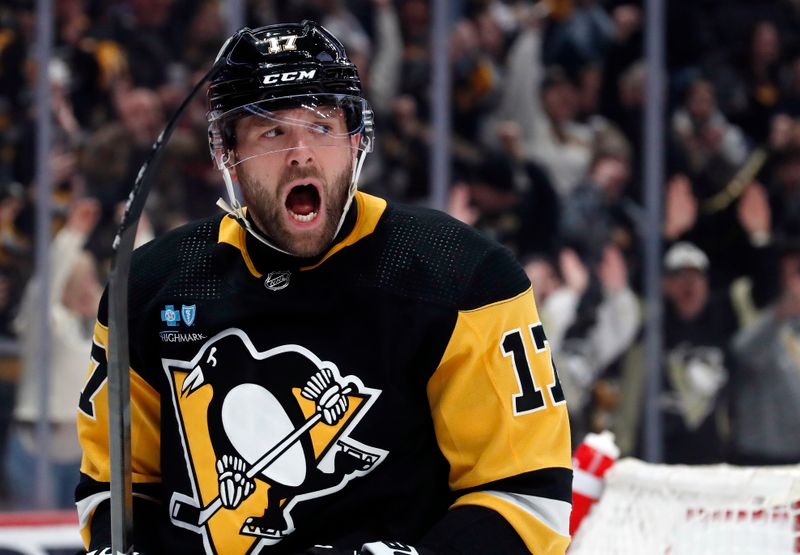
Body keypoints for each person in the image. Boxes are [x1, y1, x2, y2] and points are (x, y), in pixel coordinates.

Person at [75, 21, 572, 555]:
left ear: (356, 139)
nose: (300, 154)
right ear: (227, 152)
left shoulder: (464, 277)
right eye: (272, 132)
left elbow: (525, 496)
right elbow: (116, 488)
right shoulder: (151, 286)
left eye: (321, 126)